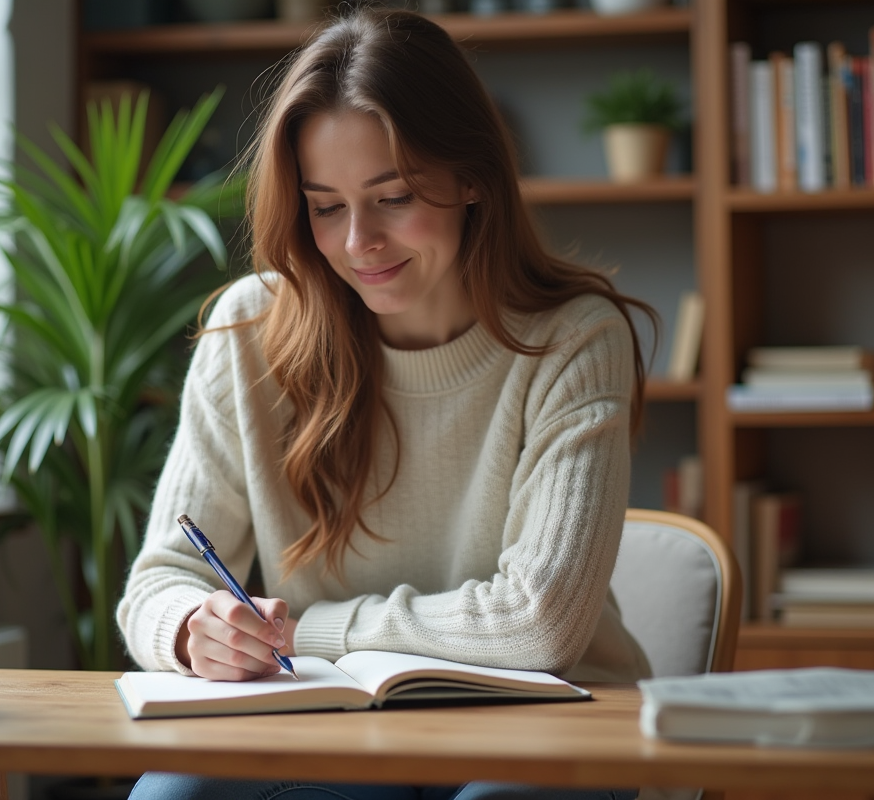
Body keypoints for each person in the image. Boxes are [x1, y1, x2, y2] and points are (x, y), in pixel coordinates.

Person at [118, 7, 657, 800]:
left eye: (394, 195)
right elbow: (157, 582)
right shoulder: (249, 329)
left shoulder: (575, 339)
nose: (357, 242)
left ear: (472, 177)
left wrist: (306, 633)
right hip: (336, 727)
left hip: (549, 727)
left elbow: (539, 624)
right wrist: (194, 631)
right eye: (326, 206)